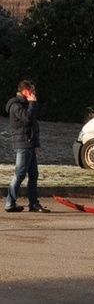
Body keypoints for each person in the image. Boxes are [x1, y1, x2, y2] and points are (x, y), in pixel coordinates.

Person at [4, 80, 49, 213]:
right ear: (26, 91)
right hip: (22, 144)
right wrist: (32, 103)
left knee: (34, 175)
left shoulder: (26, 104)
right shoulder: (16, 105)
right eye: (33, 90)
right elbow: (27, 118)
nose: (35, 93)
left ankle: (33, 204)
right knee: (20, 174)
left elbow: (33, 126)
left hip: (29, 144)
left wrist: (36, 144)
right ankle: (10, 203)